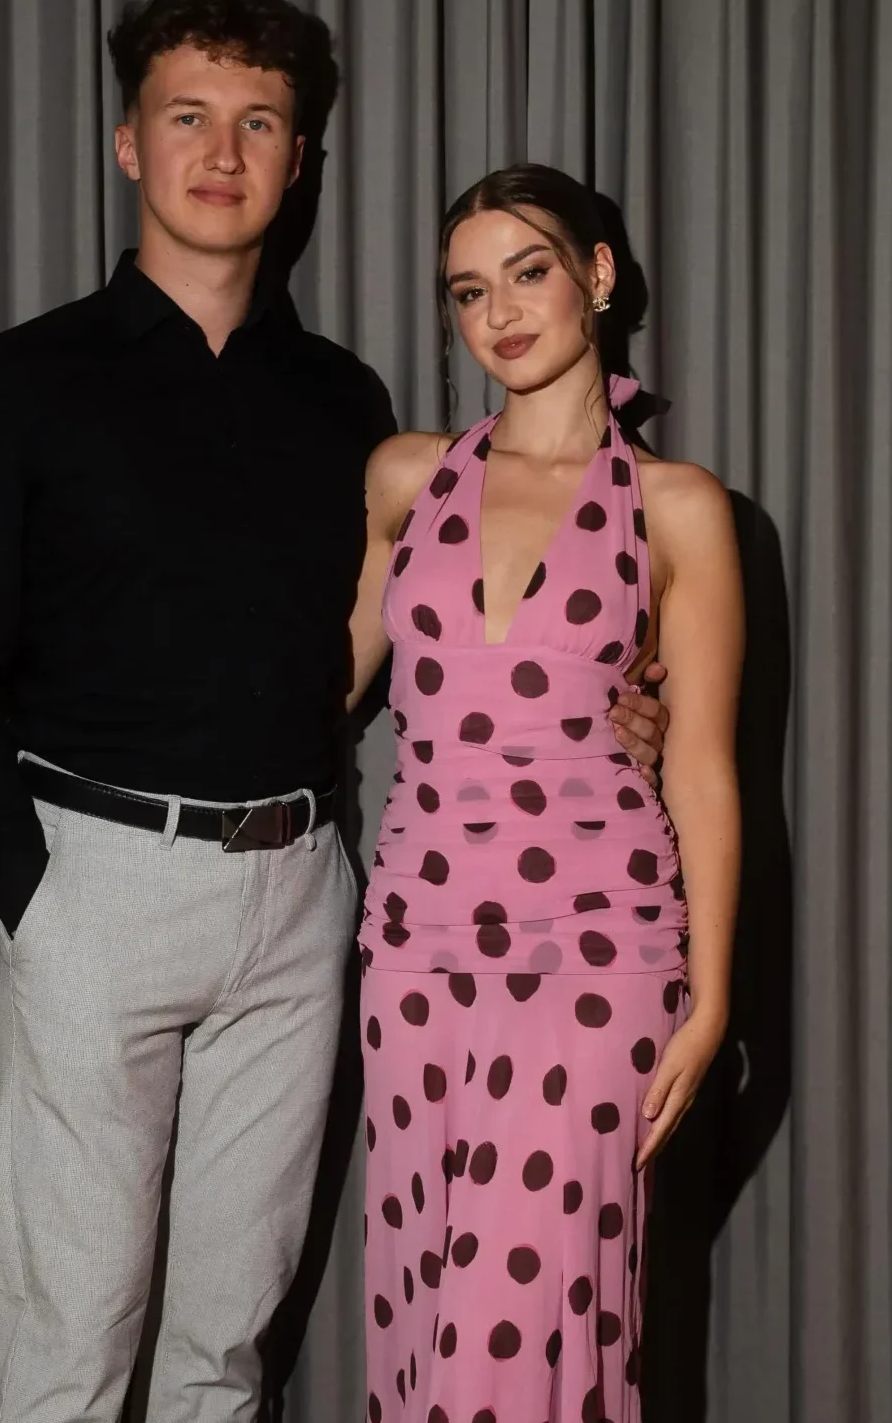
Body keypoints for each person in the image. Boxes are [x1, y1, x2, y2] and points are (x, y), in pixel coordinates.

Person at [0, 0, 670, 1423]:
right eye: (187, 115)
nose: (223, 150)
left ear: (300, 156)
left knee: (225, 1349)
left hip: (305, 896)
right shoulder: (19, 383)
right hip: (101, 887)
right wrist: (37, 898)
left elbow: (428, 639)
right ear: (129, 142)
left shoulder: (343, 402)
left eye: (259, 122)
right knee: (70, 1340)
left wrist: (628, 703)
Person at [347, 163, 743, 1423]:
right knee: (423, 1310)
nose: (501, 313)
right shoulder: (406, 478)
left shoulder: (677, 506)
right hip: (414, 945)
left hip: (596, 949)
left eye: (529, 273)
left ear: (598, 277)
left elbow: (704, 767)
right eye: (470, 291)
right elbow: (316, 684)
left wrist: (712, 1001)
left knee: (522, 1326)